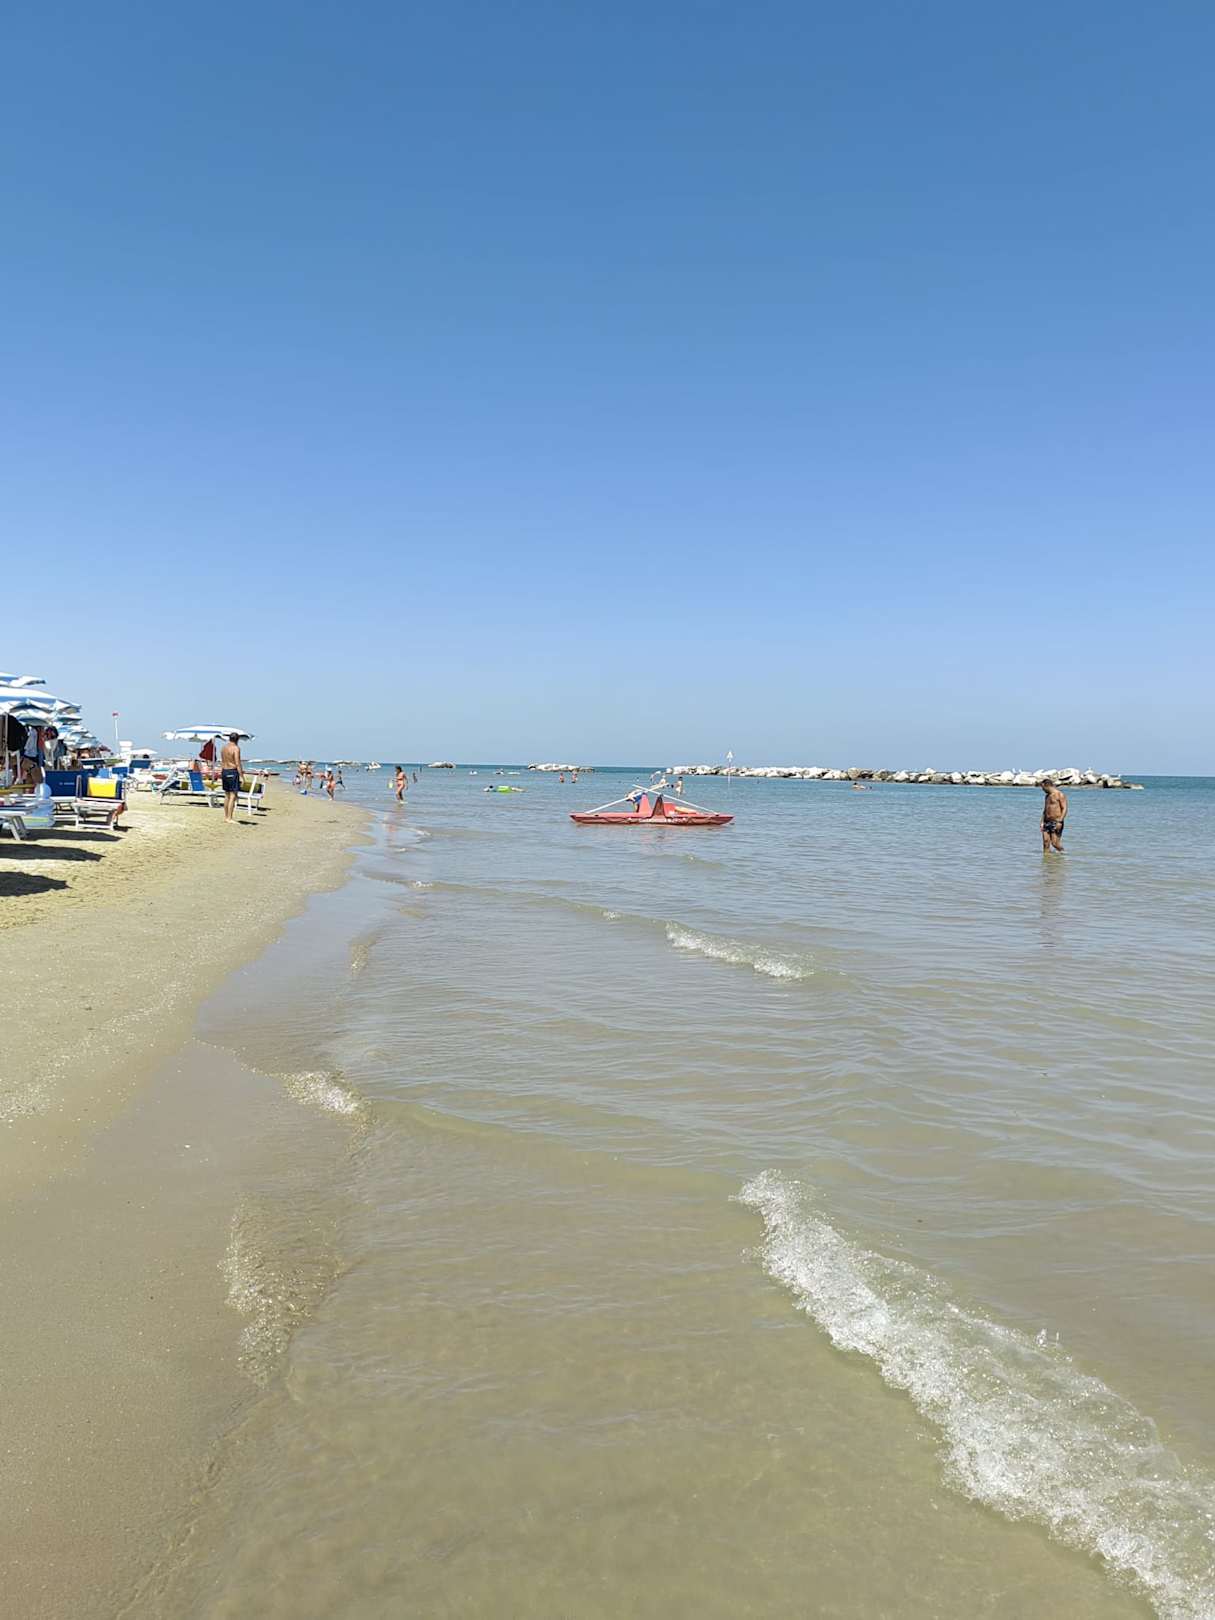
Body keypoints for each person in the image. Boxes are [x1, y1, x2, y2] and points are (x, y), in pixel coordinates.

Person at [220, 732, 244, 824]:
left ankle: (226, 817)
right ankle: (229, 818)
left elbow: (223, 760)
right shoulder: (236, 748)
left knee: (227, 795)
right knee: (233, 796)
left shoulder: (223, 748)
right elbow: (237, 763)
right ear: (237, 739)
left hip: (224, 771)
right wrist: (242, 776)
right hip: (232, 771)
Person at [1040, 778, 1068, 853]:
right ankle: (1047, 859)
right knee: (1045, 843)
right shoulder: (1047, 796)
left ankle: (1063, 854)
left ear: (1047, 786)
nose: (1042, 790)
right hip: (1046, 821)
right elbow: (1045, 810)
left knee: (1055, 843)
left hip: (1056, 821)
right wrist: (1042, 822)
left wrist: (1060, 821)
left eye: (1043, 788)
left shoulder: (1059, 795)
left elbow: (1064, 808)